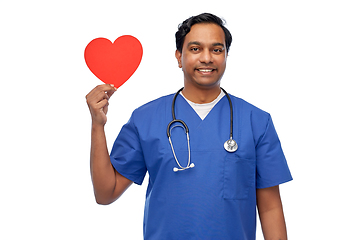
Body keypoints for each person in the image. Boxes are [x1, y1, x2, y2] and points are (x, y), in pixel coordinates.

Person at [86, 13, 292, 240]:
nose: (207, 58)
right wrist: (98, 126)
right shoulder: (146, 118)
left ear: (226, 56)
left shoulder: (256, 121)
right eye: (195, 49)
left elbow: (270, 208)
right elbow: (106, 193)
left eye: (217, 49)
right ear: (179, 57)